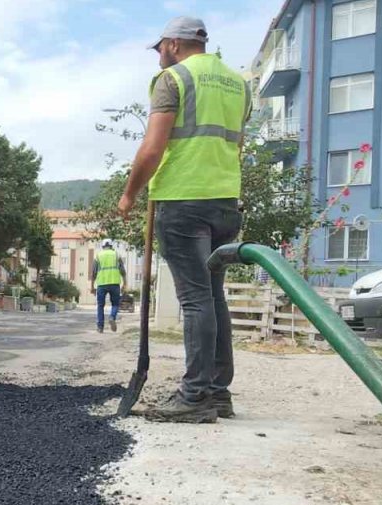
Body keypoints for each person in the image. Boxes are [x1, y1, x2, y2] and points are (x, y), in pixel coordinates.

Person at [118, 16, 251, 423]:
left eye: (159, 47)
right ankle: (217, 392)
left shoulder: (173, 79)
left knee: (195, 300)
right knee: (213, 297)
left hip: (183, 200)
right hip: (226, 200)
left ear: (174, 44)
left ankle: (194, 397)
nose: (158, 54)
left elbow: (153, 146)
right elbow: (237, 142)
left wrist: (129, 194)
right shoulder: (238, 83)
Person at [90, 239, 127, 333]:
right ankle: (112, 317)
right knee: (115, 304)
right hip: (115, 283)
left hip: (101, 284)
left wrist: (92, 287)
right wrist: (125, 283)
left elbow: (93, 272)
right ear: (111, 246)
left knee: (100, 306)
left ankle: (100, 327)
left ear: (102, 246)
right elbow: (122, 271)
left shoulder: (98, 255)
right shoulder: (116, 255)